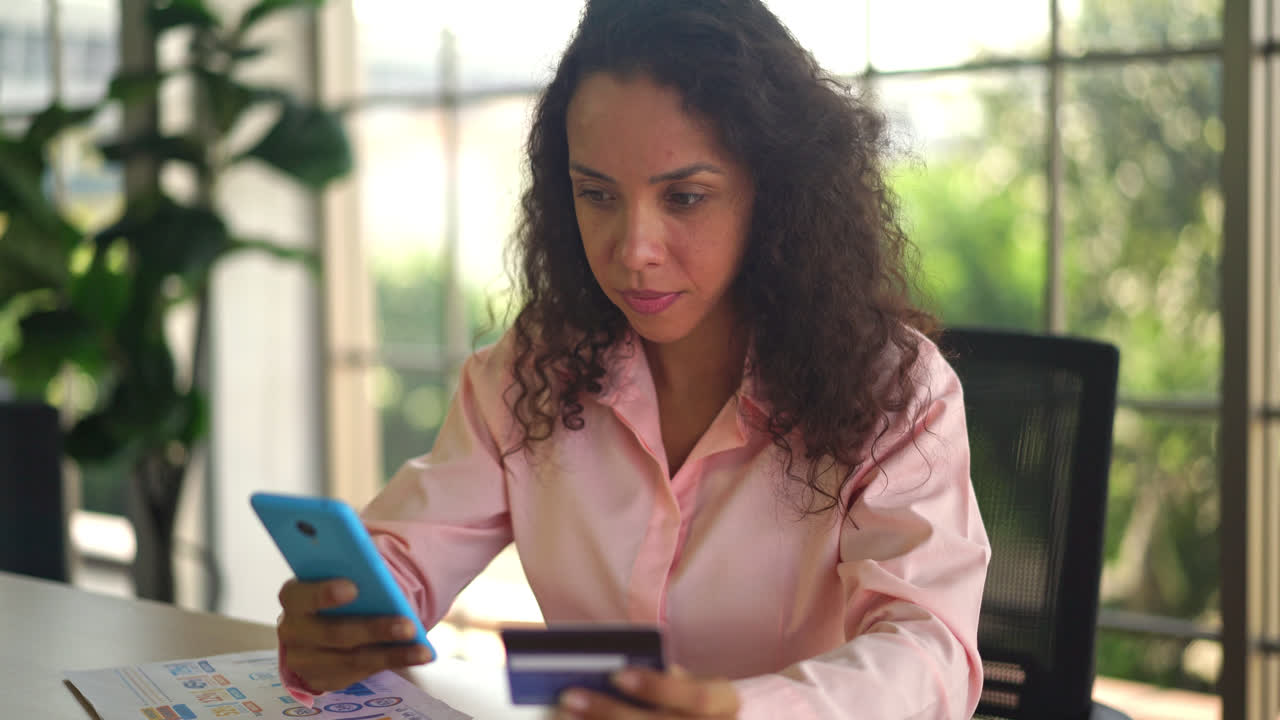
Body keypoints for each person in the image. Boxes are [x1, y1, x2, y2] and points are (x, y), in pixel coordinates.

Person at [275, 0, 991, 718]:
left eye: (684, 197)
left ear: (776, 197)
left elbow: (929, 653)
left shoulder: (897, 392)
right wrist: (346, 617)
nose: (633, 250)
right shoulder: (533, 372)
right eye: (597, 195)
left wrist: (738, 711)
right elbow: (408, 555)